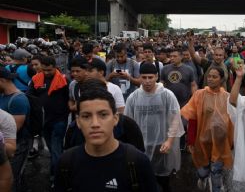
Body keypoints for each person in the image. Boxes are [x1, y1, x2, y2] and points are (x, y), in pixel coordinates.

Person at [54, 88, 158, 192]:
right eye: (86, 116)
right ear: (78, 122)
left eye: (103, 115)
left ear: (115, 118)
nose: (95, 124)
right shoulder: (66, 163)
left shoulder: (137, 162)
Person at [125, 63, 185, 192]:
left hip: (161, 145)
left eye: (150, 77)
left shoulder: (167, 95)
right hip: (141, 146)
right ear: (139, 77)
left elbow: (175, 118)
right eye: (144, 77)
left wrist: (169, 141)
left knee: (163, 180)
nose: (147, 81)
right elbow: (128, 122)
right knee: (144, 180)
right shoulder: (133, 97)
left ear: (157, 76)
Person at [180, 67, 234, 192]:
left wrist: (231, 142)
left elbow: (232, 122)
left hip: (220, 143)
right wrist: (191, 140)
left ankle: (216, 189)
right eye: (209, 76)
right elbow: (192, 117)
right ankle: (203, 177)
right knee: (203, 170)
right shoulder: (199, 95)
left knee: (216, 172)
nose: (210, 79)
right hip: (202, 142)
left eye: (214, 77)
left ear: (221, 79)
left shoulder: (227, 97)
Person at [27, 56, 69, 184]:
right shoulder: (35, 80)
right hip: (44, 121)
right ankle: (61, 170)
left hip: (59, 120)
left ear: (55, 67)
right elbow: (30, 96)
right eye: (44, 70)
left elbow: (68, 98)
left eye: (49, 70)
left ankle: (56, 178)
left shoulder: (64, 80)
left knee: (56, 149)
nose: (46, 73)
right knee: (53, 150)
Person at [0, 66, 31, 191]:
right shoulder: (3, 96)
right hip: (6, 145)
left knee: (12, 177)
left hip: (18, 145)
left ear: (2, 80)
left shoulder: (18, 100)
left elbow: (14, 129)